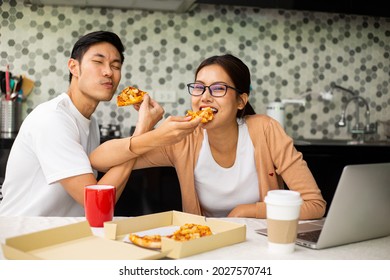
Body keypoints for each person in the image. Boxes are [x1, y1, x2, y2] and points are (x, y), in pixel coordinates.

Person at [90, 54, 326, 220]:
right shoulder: (183, 140)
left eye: (218, 89)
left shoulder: (266, 130)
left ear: (241, 101)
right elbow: (99, 160)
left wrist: (248, 211)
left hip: (262, 247)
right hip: (205, 249)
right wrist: (150, 130)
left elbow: (314, 205)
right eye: (199, 87)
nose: (205, 97)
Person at [0, 31, 199, 216]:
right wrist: (143, 132)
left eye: (116, 66)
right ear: (73, 67)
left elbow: (107, 202)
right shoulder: (52, 119)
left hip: (61, 235)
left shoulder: (89, 122)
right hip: (21, 237)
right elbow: (93, 202)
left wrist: (140, 137)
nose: (108, 72)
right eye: (98, 62)